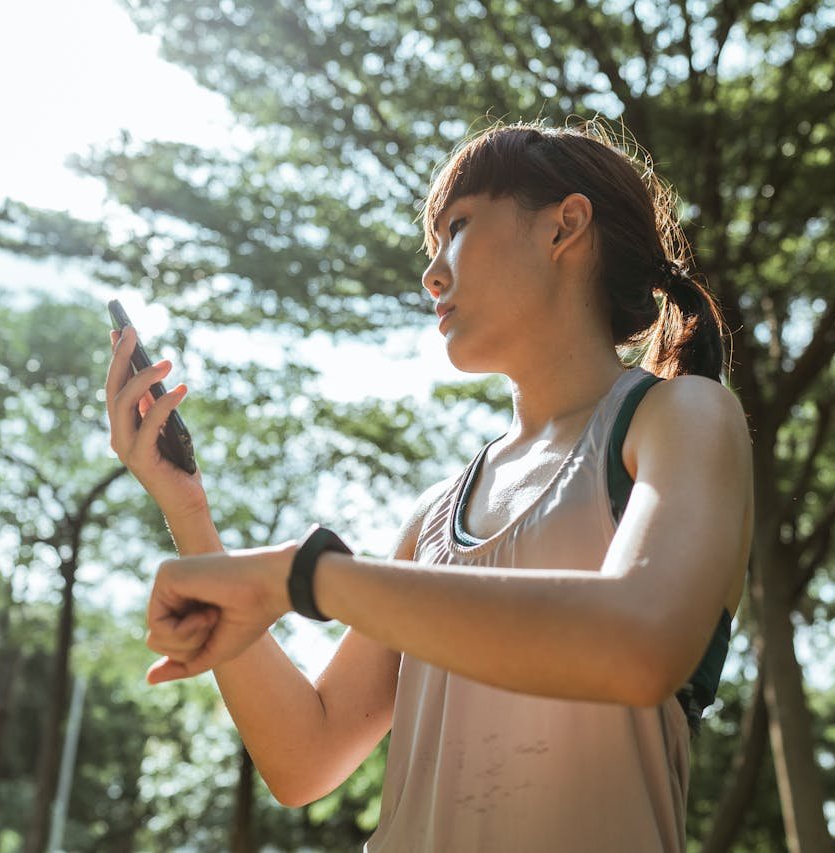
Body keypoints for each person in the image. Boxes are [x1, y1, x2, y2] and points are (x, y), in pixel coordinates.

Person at [105, 119, 753, 852]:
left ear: (564, 227)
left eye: (458, 228)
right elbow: (305, 757)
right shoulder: (439, 512)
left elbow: (640, 643)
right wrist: (189, 512)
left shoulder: (681, 416)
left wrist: (304, 577)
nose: (432, 272)